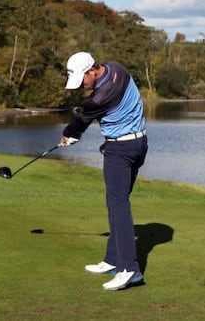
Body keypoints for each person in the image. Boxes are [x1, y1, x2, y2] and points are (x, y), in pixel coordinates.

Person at [60, 51, 149, 291]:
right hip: (138, 144)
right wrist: (75, 132)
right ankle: (112, 260)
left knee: (118, 204)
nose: (81, 86)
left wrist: (69, 134)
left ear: (91, 71)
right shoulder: (115, 67)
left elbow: (84, 117)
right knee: (116, 202)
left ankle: (129, 269)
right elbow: (88, 112)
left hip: (120, 149)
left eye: (83, 80)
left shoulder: (101, 96)